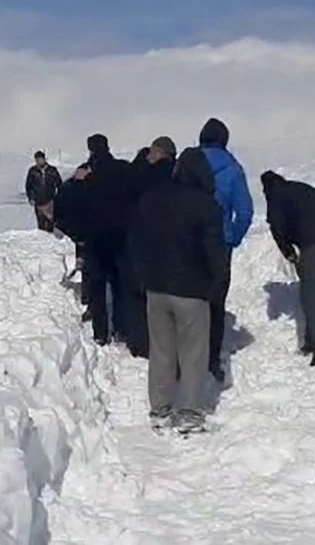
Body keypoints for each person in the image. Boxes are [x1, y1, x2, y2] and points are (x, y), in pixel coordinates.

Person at [128, 147, 225, 434]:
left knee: (161, 351)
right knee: (193, 353)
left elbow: (135, 241)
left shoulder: (151, 197)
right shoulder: (205, 205)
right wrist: (215, 283)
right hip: (191, 290)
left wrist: (143, 277)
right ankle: (190, 413)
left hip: (155, 289)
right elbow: (215, 252)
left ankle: (160, 409)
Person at [260, 170, 315, 366]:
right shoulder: (304, 188)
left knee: (311, 296)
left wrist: (289, 252)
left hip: (312, 244)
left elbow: (277, 228)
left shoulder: (276, 197)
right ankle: (312, 339)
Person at [198, 117, 254, 382]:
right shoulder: (233, 169)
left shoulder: (188, 164)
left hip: (189, 240)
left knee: (190, 298)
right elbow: (244, 211)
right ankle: (211, 359)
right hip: (219, 243)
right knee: (216, 301)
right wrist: (231, 237)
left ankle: (186, 356)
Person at [122, 136, 178, 359]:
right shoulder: (181, 175)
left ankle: (141, 343)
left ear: (160, 153)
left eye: (152, 152)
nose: (148, 156)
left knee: (139, 294)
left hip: (144, 242)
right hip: (173, 244)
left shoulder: (145, 176)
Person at [80, 133, 137, 345]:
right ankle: (121, 328)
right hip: (120, 235)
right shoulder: (124, 169)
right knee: (119, 283)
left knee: (96, 285)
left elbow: (75, 204)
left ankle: (100, 333)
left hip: (95, 237)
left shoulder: (86, 172)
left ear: (91, 149)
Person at [53, 162, 92, 322]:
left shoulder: (70, 187)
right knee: (88, 265)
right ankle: (87, 296)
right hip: (84, 231)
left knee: (86, 263)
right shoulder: (77, 188)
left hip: (81, 232)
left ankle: (87, 295)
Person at [25, 151, 62, 232]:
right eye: (37, 160)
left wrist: (59, 197)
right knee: (41, 224)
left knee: (51, 222)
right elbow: (29, 186)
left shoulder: (52, 170)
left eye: (40, 159)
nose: (39, 162)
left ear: (44, 159)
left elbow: (59, 184)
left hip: (50, 200)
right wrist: (31, 198)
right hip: (38, 201)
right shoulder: (32, 171)